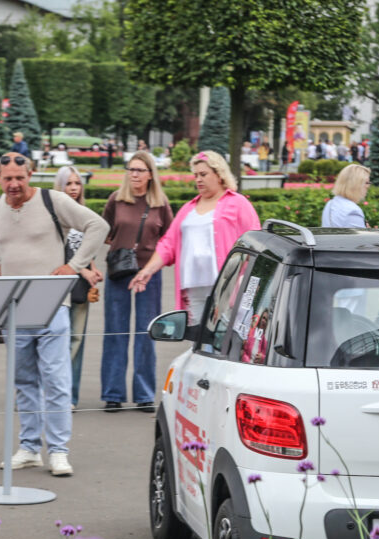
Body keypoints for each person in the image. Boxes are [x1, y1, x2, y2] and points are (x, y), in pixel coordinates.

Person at [0, 153, 109, 476]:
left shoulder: (53, 200)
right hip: (14, 307)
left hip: (52, 305)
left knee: (56, 380)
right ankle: (30, 447)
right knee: (23, 380)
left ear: (30, 175)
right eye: (8, 178)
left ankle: (59, 451)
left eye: (20, 177)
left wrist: (73, 267)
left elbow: (97, 225)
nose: (14, 184)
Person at [129, 151, 260, 325]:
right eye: (195, 175)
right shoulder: (188, 209)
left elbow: (255, 243)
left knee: (229, 339)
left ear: (219, 175)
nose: (198, 179)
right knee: (199, 339)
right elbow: (168, 244)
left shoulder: (238, 203)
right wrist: (147, 271)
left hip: (228, 287)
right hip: (194, 287)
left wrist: (248, 280)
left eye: (203, 174)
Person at [101, 150, 173, 414]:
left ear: (150, 174)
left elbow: (168, 238)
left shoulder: (159, 203)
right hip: (119, 272)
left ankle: (144, 394)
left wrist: (149, 256)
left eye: (139, 170)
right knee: (115, 332)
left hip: (149, 274)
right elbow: (106, 232)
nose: (134, 174)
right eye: (130, 169)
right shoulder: (116, 200)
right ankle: (113, 393)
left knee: (146, 333)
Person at [52, 166, 104, 409]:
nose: (73, 188)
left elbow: (89, 247)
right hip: (59, 284)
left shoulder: (85, 214)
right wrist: (82, 268)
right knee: (55, 340)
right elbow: (57, 251)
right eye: (68, 183)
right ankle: (52, 390)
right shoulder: (54, 214)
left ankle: (69, 396)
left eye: (76, 183)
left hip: (81, 287)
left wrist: (93, 271)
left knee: (77, 339)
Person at [321, 163, 371, 228]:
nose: (368, 186)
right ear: (356, 184)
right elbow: (361, 238)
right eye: (367, 182)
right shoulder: (353, 211)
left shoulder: (330, 203)